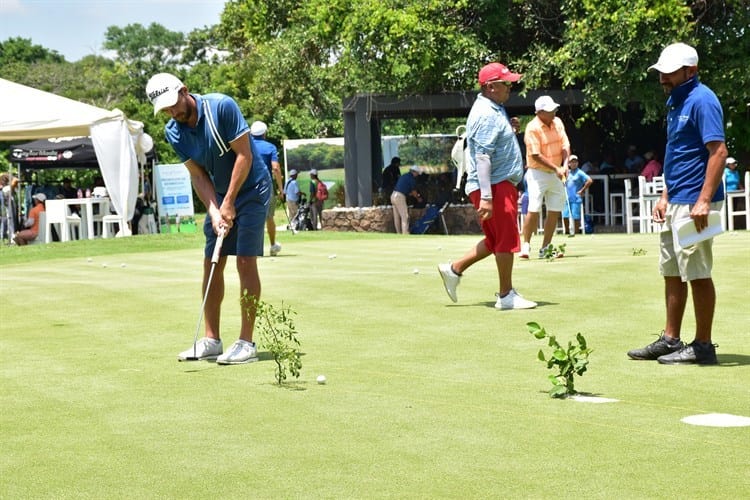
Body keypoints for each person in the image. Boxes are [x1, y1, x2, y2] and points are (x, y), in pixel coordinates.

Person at [146, 72, 272, 365]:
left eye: (173, 104)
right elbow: (198, 175)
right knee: (212, 263)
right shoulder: (173, 132)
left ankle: (246, 342)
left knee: (244, 259)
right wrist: (215, 211)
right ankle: (212, 340)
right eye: (164, 109)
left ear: (184, 91)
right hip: (218, 194)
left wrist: (229, 201)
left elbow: (244, 156)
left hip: (252, 188)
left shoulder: (221, 107)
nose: (172, 112)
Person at [627, 42, 727, 365]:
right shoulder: (675, 101)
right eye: (661, 73)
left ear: (690, 71)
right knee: (672, 269)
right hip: (677, 199)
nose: (662, 79)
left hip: (696, 202)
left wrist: (703, 200)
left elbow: (718, 152)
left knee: (697, 271)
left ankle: (703, 346)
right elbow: (677, 154)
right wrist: (665, 195)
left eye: (668, 73)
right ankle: (671, 339)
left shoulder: (703, 100)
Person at [438, 62, 536, 310]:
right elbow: (482, 157)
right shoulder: (487, 114)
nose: (510, 87)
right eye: (506, 83)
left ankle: (454, 269)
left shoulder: (494, 108)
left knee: (495, 239)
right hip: (493, 185)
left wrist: (509, 130)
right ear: (491, 87)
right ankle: (506, 296)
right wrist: (487, 197)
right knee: (505, 239)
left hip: (496, 184)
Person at [519, 95, 571, 259]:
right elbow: (535, 155)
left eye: (554, 108)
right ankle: (526, 246)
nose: (553, 112)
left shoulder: (558, 122)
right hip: (537, 174)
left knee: (554, 210)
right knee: (533, 209)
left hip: (556, 173)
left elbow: (565, 145)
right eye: (549, 110)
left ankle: (545, 248)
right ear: (539, 112)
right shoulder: (532, 127)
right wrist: (557, 168)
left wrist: (565, 164)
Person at [250, 120, 285, 255]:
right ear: (265, 133)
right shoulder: (270, 147)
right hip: (266, 186)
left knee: (251, 216)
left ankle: (252, 249)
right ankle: (272, 245)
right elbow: (275, 168)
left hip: (248, 186)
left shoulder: (247, 145)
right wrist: (281, 189)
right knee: (269, 217)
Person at [561, 155, 593, 235]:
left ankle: (576, 233)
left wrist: (582, 190)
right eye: (572, 162)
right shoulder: (567, 172)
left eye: (575, 162)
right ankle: (567, 232)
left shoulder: (580, 172)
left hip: (576, 198)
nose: (574, 164)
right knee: (565, 216)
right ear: (569, 164)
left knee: (576, 217)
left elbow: (589, 180)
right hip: (566, 198)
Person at [390, 165, 422, 234]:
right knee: (405, 216)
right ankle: (405, 234)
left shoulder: (404, 176)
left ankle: (399, 233)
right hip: (399, 197)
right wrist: (418, 198)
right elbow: (414, 192)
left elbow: (405, 189)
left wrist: (412, 194)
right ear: (414, 172)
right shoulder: (412, 179)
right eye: (417, 173)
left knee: (397, 217)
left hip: (393, 195)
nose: (417, 175)